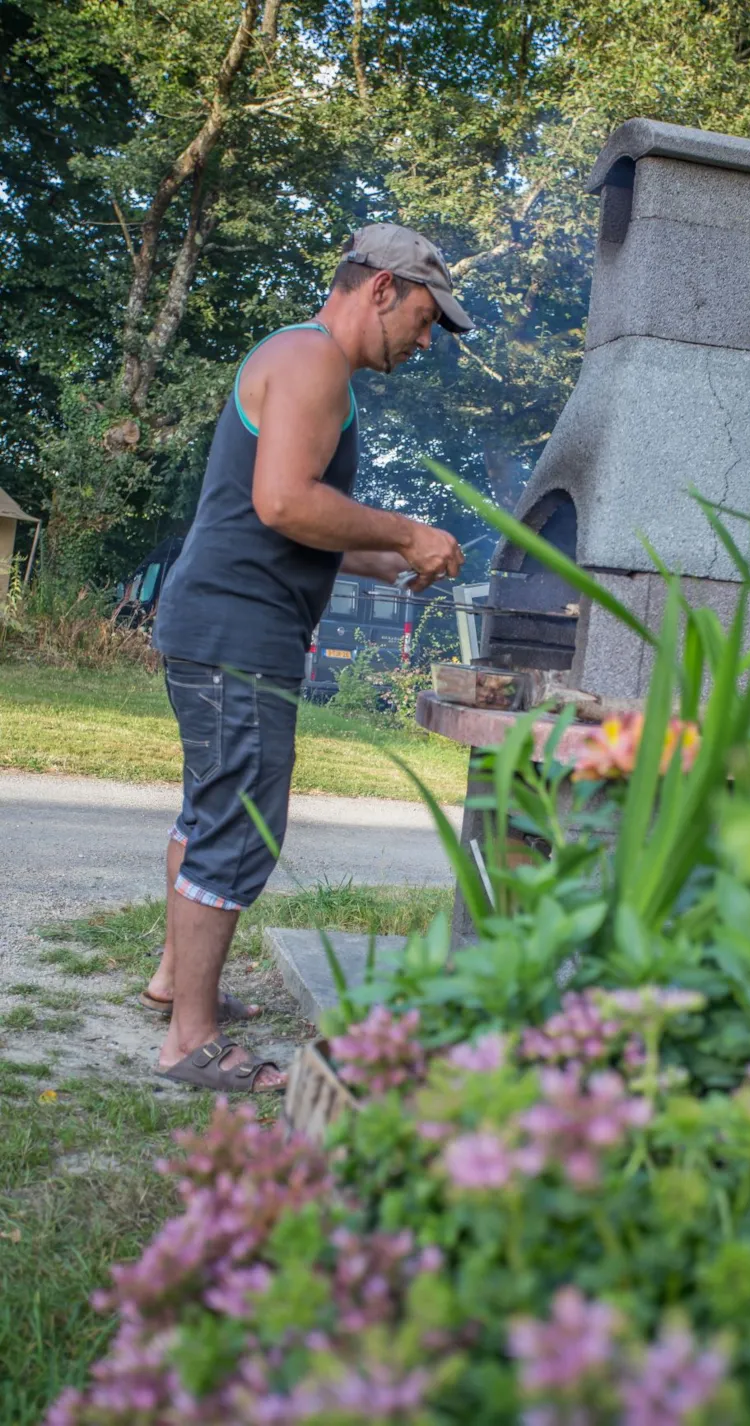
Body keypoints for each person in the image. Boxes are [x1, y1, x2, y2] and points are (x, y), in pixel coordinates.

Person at [147, 223, 472, 1092]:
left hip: (214, 624)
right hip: (237, 633)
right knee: (238, 826)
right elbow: (287, 500)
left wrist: (401, 553)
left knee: (208, 809)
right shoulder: (313, 361)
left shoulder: (302, 362)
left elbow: (307, 528)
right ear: (380, 290)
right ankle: (192, 1042)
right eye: (427, 316)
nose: (428, 337)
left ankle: (176, 982)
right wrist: (407, 528)